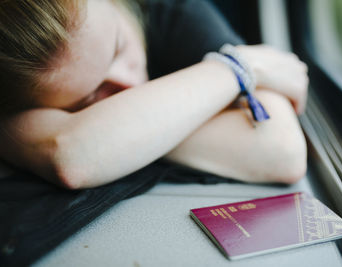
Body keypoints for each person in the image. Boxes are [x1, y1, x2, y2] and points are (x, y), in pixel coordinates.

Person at [0, 0, 308, 190]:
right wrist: (239, 67)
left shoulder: (178, 14)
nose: (130, 83)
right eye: (89, 98)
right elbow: (73, 156)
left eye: (119, 47)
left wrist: (106, 137)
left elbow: (281, 148)